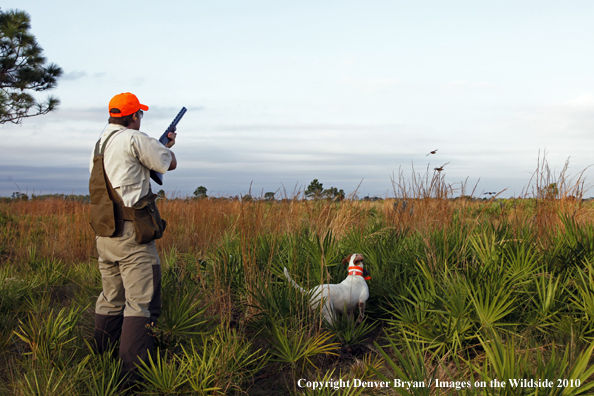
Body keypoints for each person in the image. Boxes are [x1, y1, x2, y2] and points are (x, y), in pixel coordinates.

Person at [89, 92, 177, 385]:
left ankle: (100, 364)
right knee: (141, 305)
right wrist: (167, 147)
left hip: (105, 235)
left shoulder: (101, 143)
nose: (140, 119)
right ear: (134, 117)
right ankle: (133, 379)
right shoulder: (133, 139)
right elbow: (167, 163)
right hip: (132, 237)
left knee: (111, 300)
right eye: (139, 114)